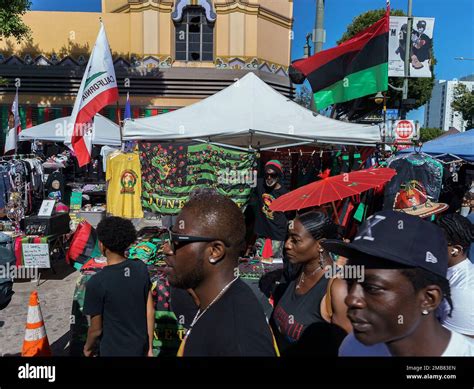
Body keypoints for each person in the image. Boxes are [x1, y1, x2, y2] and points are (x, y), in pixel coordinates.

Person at [322, 210, 474, 356]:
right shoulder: (353, 347)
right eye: (350, 282)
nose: (350, 299)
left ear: (428, 299)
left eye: (372, 288)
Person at [162, 190, 279, 356]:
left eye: (177, 240)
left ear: (215, 251)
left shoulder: (240, 342)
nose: (167, 249)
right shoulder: (215, 304)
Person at [270, 211, 352, 355]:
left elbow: (344, 349)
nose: (287, 245)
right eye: (288, 238)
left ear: (320, 245)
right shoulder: (297, 270)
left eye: (295, 240)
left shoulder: (335, 288)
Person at [83, 217, 154, 357]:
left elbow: (96, 329)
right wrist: (150, 348)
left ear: (102, 245)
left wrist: (87, 348)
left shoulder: (96, 283)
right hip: (140, 348)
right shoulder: (140, 268)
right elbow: (149, 310)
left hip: (112, 350)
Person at [436, 214, 474, 337]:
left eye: (435, 242)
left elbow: (458, 345)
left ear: (455, 250)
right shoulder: (443, 269)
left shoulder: (462, 292)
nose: (428, 246)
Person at [252, 160, 289, 262]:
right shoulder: (260, 184)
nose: (269, 177)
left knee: (275, 263)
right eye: (267, 174)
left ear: (279, 176)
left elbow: (290, 214)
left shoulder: (284, 193)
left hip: (277, 233)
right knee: (257, 261)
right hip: (262, 231)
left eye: (273, 175)